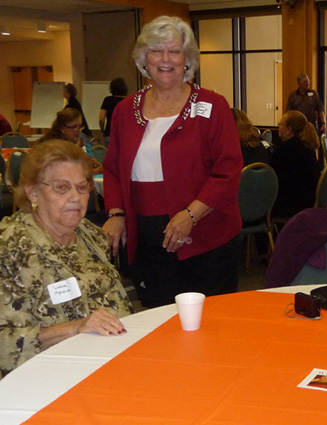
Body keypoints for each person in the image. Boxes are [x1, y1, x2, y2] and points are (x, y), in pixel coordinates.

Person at [102, 16, 242, 308]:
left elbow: (227, 172)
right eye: (156, 50)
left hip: (207, 239)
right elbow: (113, 167)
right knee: (159, 322)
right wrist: (116, 214)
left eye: (174, 51)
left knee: (214, 326)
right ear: (144, 58)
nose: (165, 59)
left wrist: (189, 215)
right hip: (149, 243)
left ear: (187, 59)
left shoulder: (213, 106)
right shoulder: (125, 111)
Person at [0, 140, 133, 377]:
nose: (75, 197)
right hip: (50, 377)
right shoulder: (11, 246)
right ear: (33, 192)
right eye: (62, 187)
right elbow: (5, 344)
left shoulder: (91, 235)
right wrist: (75, 328)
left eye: (82, 187)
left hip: (110, 362)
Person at [270, 111, 323, 219]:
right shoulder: (308, 146)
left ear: (289, 129)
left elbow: (270, 176)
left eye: (280, 124)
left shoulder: (284, 149)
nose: (278, 126)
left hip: (291, 205)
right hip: (308, 200)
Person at [39, 108, 102, 174]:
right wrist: (97, 171)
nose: (78, 130)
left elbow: (91, 162)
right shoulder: (51, 147)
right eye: (74, 127)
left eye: (80, 126)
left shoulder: (81, 141)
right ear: (61, 128)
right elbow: (65, 173)